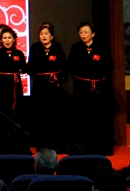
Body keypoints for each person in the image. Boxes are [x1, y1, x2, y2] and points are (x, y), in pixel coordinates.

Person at [68, 22, 115, 155]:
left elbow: (109, 66)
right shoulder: (76, 47)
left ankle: (99, 147)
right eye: (81, 32)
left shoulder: (101, 47)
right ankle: (81, 147)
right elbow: (70, 66)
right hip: (81, 88)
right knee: (82, 117)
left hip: (98, 89)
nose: (83, 35)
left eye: (86, 32)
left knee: (98, 118)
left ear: (93, 34)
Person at [0, 25, 28, 154]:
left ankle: (18, 146)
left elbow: (23, 68)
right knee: (3, 117)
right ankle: (4, 147)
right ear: (0, 39)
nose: (7, 40)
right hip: (1, 88)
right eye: (5, 38)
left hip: (16, 88)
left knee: (17, 115)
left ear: (14, 39)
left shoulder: (19, 53)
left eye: (10, 37)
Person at [26, 22, 68, 151]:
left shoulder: (57, 47)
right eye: (41, 34)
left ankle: (57, 145)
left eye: (46, 33)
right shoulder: (35, 47)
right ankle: (42, 145)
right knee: (41, 115)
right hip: (40, 87)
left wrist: (59, 78)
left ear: (52, 36)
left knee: (56, 114)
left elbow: (64, 66)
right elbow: (30, 67)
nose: (43, 36)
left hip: (54, 87)